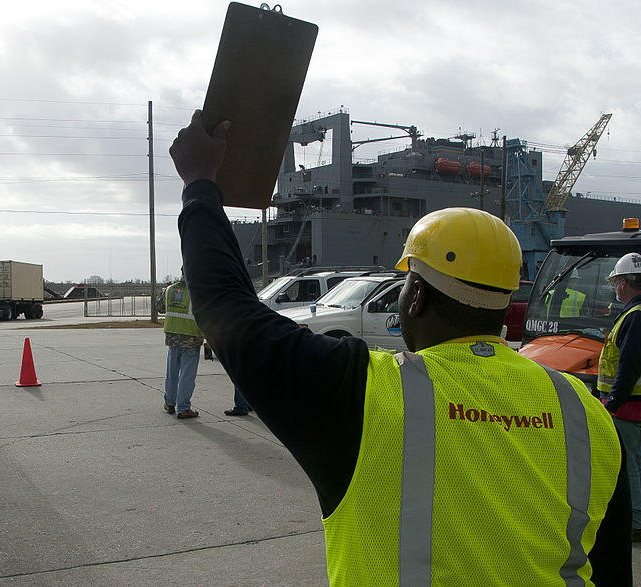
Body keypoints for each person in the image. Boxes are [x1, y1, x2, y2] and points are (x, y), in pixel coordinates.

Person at [169, 111, 631, 585]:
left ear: (417, 295)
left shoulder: (365, 392)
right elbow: (611, 570)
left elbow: (229, 309)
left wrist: (200, 183)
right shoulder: (586, 414)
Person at [599, 252, 641, 540]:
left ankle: (636, 521)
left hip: (627, 406)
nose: (615, 288)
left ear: (624, 283)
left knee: (629, 467)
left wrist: (612, 402)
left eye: (616, 282)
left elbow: (629, 365)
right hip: (634, 404)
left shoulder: (634, 316)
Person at [162, 275, 202, 419]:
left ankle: (169, 402)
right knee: (187, 374)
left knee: (172, 372)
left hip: (172, 336)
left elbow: (160, 307)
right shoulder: (197, 291)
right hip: (191, 337)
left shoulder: (168, 290)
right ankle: (184, 407)